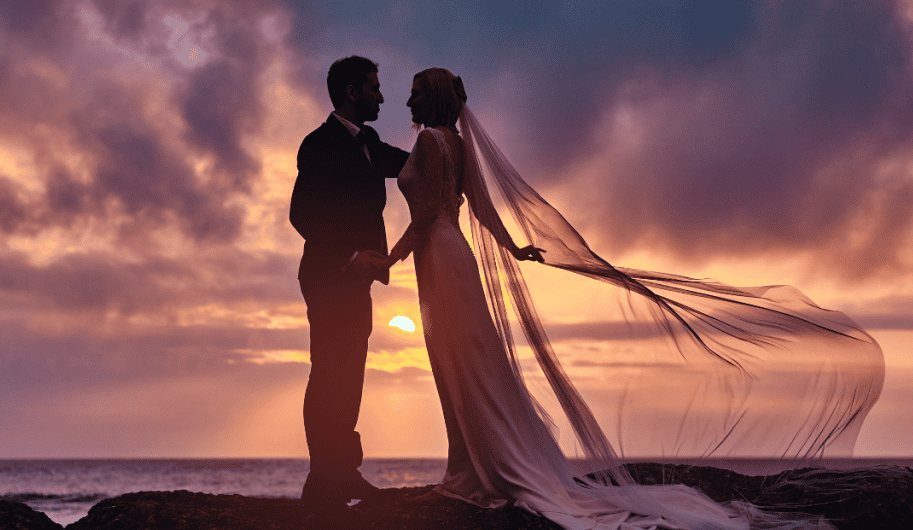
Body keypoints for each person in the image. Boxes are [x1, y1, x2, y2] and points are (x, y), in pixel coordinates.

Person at [378, 67, 883, 529]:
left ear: (437, 98)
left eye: (416, 94)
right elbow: (484, 212)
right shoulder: (459, 145)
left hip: (439, 255)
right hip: (456, 254)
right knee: (469, 362)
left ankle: (472, 470)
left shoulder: (429, 144)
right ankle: (473, 465)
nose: (408, 101)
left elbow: (425, 218)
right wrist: (515, 248)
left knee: (457, 363)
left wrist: (385, 262)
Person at [289, 56, 409, 515]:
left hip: (358, 281)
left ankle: (342, 470)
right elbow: (303, 215)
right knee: (329, 372)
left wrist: (445, 147)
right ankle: (324, 477)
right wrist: (351, 257)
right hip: (328, 275)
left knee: (350, 370)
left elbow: (404, 164)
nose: (382, 96)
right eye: (375, 88)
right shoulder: (318, 144)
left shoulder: (371, 141)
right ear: (353, 92)